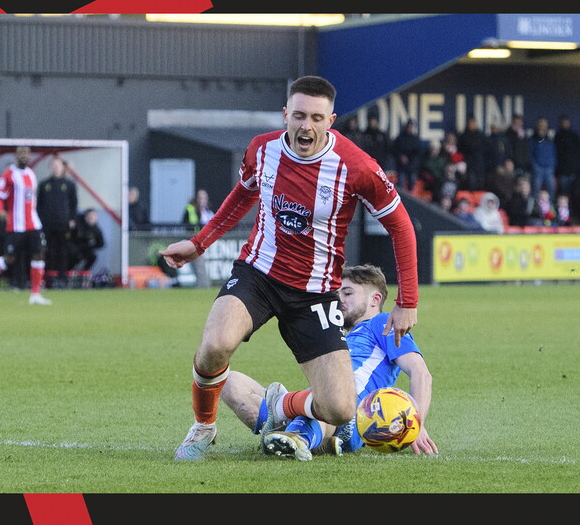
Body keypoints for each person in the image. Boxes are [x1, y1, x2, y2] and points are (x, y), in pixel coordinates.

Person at [159, 76, 419, 462]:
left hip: (315, 293)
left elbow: (400, 226)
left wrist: (407, 300)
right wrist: (199, 244)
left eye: (316, 117)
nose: (306, 126)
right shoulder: (262, 150)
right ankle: (204, 426)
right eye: (298, 115)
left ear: (331, 119)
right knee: (215, 345)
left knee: (340, 409)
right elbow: (241, 196)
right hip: (257, 275)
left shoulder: (357, 167)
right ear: (285, 114)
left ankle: (281, 406)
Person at [220, 264, 437, 460]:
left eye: (348, 293)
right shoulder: (338, 335)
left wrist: (416, 424)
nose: (339, 299)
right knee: (229, 383)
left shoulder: (383, 323)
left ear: (375, 300)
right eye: (338, 293)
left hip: (351, 411)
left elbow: (421, 373)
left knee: (330, 400)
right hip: (314, 403)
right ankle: (306, 435)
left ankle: (298, 435)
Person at [0, 145, 53, 306]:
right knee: (9, 258)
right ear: (16, 156)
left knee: (39, 254)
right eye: (21, 153)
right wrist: (0, 211)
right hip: (16, 225)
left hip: (33, 223)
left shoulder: (31, 174)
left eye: (27, 154)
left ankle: (35, 294)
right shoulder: (8, 175)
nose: (24, 156)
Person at [36, 155, 78, 289]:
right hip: (47, 224)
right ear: (50, 168)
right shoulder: (44, 185)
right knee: (47, 251)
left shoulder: (69, 185)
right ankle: (48, 279)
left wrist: (72, 219)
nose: (55, 168)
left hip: (63, 224)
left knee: (63, 251)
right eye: (53, 166)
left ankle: (62, 278)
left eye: (58, 166)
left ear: (62, 167)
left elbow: (74, 204)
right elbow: (39, 205)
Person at [182, 189, 214, 288]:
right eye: (200, 198)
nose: (202, 200)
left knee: (202, 266)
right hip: (196, 242)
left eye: (204, 198)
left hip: (205, 242)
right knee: (199, 265)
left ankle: (204, 285)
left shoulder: (208, 211)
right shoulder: (192, 209)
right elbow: (188, 224)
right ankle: (203, 286)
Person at [68, 208, 105, 286]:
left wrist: (90, 246)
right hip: (74, 247)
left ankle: (84, 272)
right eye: (89, 216)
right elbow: (70, 237)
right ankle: (68, 273)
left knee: (93, 256)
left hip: (86, 249)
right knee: (71, 255)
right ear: (85, 217)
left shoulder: (96, 230)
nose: (91, 218)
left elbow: (101, 244)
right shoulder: (77, 224)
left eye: (93, 216)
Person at [553, 114, 580, 197]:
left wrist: (577, 168)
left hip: (574, 170)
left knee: (575, 192)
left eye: (566, 122)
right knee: (564, 193)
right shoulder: (557, 136)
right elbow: (556, 154)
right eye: (563, 122)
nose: (564, 124)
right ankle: (563, 209)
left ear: (569, 123)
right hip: (563, 171)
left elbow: (579, 153)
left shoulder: (574, 136)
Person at [457, 115, 489, 191]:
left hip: (480, 164)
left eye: (473, 123)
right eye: (470, 123)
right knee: (471, 183)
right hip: (469, 164)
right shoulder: (464, 136)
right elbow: (462, 149)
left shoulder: (481, 135)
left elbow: (486, 149)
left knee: (481, 183)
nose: (472, 125)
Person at [390, 119, 423, 192]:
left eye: (411, 127)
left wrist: (411, 160)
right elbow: (395, 150)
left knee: (412, 183)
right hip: (401, 166)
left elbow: (418, 152)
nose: (410, 128)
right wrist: (401, 157)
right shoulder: (400, 138)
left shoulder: (415, 139)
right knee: (401, 183)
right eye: (408, 127)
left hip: (412, 166)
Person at [528, 117, 557, 199]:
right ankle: (535, 207)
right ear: (537, 125)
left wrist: (553, 165)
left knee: (552, 188)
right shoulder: (533, 138)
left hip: (549, 168)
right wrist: (535, 166)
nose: (542, 126)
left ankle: (549, 208)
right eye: (541, 124)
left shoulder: (550, 138)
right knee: (535, 189)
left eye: (544, 124)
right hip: (538, 168)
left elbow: (553, 153)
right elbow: (530, 154)